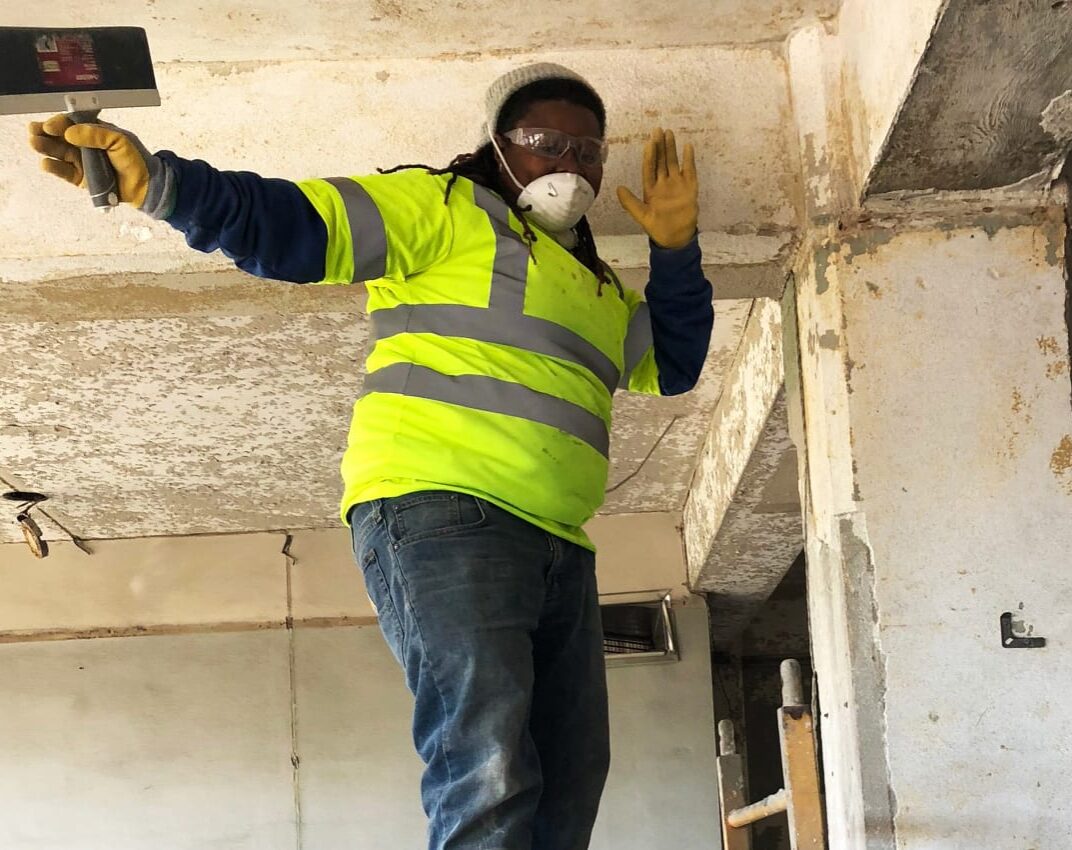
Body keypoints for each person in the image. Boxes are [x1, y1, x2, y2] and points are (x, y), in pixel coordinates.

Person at [29, 63, 713, 850]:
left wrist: (675, 250)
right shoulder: (445, 208)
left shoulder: (593, 287)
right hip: (446, 513)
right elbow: (290, 224)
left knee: (569, 778)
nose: (570, 164)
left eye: (588, 150)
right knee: (486, 765)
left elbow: (671, 363)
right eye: (544, 141)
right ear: (497, 146)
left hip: (558, 542)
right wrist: (160, 182)